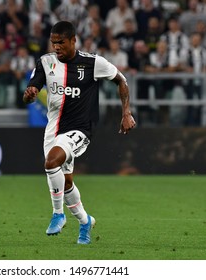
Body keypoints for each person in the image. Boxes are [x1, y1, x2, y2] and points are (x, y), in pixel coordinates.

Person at [23, 21, 136, 244]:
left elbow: (121, 80)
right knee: (64, 182)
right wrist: (30, 94)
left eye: (61, 42)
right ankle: (85, 222)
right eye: (53, 42)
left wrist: (126, 112)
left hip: (80, 129)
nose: (56, 47)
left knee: (51, 162)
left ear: (73, 40)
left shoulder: (93, 63)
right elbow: (31, 89)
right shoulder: (46, 62)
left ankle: (58, 214)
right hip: (53, 129)